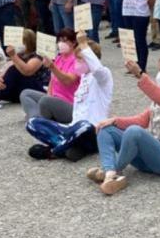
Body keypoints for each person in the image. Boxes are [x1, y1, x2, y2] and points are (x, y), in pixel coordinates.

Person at [90, 53, 160, 196]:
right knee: (106, 129)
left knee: (134, 132)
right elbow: (142, 120)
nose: (159, 75)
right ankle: (109, 171)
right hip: (149, 158)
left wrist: (139, 74)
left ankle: (113, 174)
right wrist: (114, 120)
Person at [27, 31, 111, 161]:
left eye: (80, 59)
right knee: (33, 123)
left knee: (85, 126)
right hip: (73, 129)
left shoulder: (103, 76)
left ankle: (54, 150)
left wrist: (84, 45)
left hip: (93, 130)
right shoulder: (84, 77)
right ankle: (66, 145)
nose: (76, 62)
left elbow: (98, 69)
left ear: (90, 58)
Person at [19, 28, 81, 123]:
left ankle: (38, 120)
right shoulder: (59, 58)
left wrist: (52, 67)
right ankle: (35, 119)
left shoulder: (76, 59)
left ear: (73, 43)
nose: (61, 43)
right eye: (59, 40)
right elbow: (52, 80)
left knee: (45, 101)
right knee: (26, 94)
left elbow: (68, 80)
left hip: (69, 103)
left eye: (65, 41)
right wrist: (49, 94)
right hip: (54, 98)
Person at [121, 0, 156, 73]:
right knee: (130, 40)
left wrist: (148, 8)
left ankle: (142, 66)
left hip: (140, 13)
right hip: (127, 11)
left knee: (140, 39)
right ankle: (132, 65)